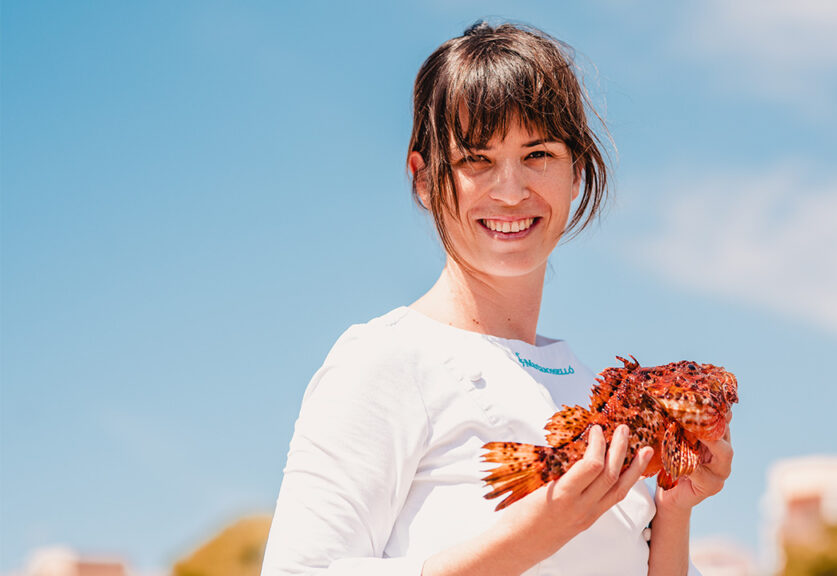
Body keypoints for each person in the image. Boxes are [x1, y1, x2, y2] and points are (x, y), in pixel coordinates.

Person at [261, 20, 733, 576]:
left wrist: (674, 513)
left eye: (538, 155)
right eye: (475, 160)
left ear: (575, 169)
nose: (510, 191)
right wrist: (525, 539)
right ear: (423, 178)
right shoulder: (385, 360)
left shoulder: (587, 390)